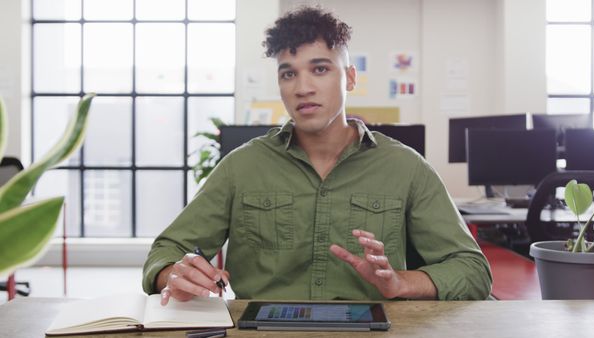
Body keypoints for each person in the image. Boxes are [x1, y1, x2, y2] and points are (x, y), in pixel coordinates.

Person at [142, 6, 492, 304]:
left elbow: (472, 269)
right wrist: (174, 273)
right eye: (288, 74)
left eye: (320, 69)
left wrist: (401, 283)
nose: (302, 87)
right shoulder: (241, 166)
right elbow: (165, 251)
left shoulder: (406, 167)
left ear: (350, 78)